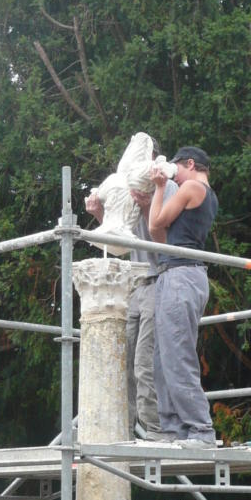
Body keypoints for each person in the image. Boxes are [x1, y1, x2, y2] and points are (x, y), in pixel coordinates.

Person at [85, 143, 177, 441]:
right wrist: (101, 214)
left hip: (155, 280)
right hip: (131, 285)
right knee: (121, 360)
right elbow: (120, 240)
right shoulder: (125, 188)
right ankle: (119, 430)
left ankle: (155, 430)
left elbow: (160, 234)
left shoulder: (165, 187)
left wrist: (150, 202)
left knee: (144, 363)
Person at [148, 146, 219, 445]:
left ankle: (201, 430)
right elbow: (158, 233)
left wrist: (162, 187)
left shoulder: (192, 185)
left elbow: (156, 223)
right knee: (162, 358)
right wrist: (161, 191)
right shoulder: (199, 192)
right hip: (175, 273)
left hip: (182, 276)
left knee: (177, 355)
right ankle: (173, 429)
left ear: (190, 164)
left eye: (177, 167)